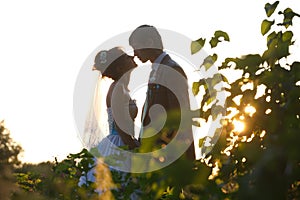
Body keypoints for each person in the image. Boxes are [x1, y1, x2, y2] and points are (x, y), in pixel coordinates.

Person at [129, 25, 195, 160]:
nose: (135, 54)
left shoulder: (172, 70)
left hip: (170, 155)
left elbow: (179, 117)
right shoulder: (156, 70)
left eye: (136, 47)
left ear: (149, 43)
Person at [79, 47, 139, 186]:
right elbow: (119, 125)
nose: (131, 57)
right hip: (120, 142)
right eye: (126, 57)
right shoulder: (118, 88)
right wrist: (134, 147)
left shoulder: (122, 88)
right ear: (119, 68)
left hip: (123, 140)